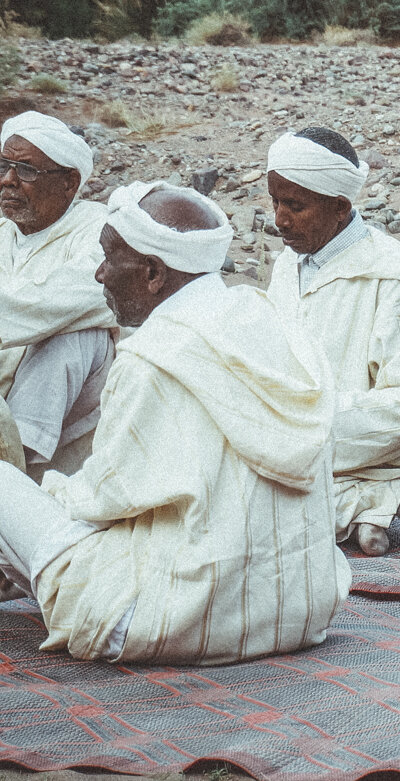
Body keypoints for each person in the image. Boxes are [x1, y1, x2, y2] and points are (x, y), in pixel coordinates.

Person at [0, 181, 350, 664]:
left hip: (171, 619)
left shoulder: (153, 357)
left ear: (151, 273)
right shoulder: (273, 321)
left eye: (107, 257)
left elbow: (106, 499)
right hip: (297, 611)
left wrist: (50, 495)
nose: (99, 274)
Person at [265, 127, 400, 556]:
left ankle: (388, 480)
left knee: (245, 500)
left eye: (295, 205)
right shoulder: (286, 267)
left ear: (340, 206)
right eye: (275, 201)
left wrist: (291, 426)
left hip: (349, 431)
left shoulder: (393, 277)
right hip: (296, 427)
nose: (279, 219)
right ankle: (375, 497)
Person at [0, 111, 116, 480]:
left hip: (72, 412)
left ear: (69, 182)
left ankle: (16, 469)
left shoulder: (100, 230)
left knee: (73, 334)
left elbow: (42, 307)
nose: (8, 181)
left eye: (26, 171)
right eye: (4, 166)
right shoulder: (4, 232)